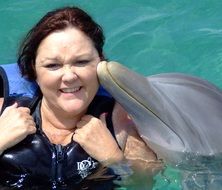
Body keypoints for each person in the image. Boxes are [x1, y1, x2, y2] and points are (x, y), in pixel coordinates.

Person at [0, 6, 161, 189]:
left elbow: (143, 184)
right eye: (53, 65)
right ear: (34, 69)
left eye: (82, 62)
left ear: (100, 62)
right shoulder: (5, 112)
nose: (69, 76)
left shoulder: (121, 122)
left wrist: (114, 158)